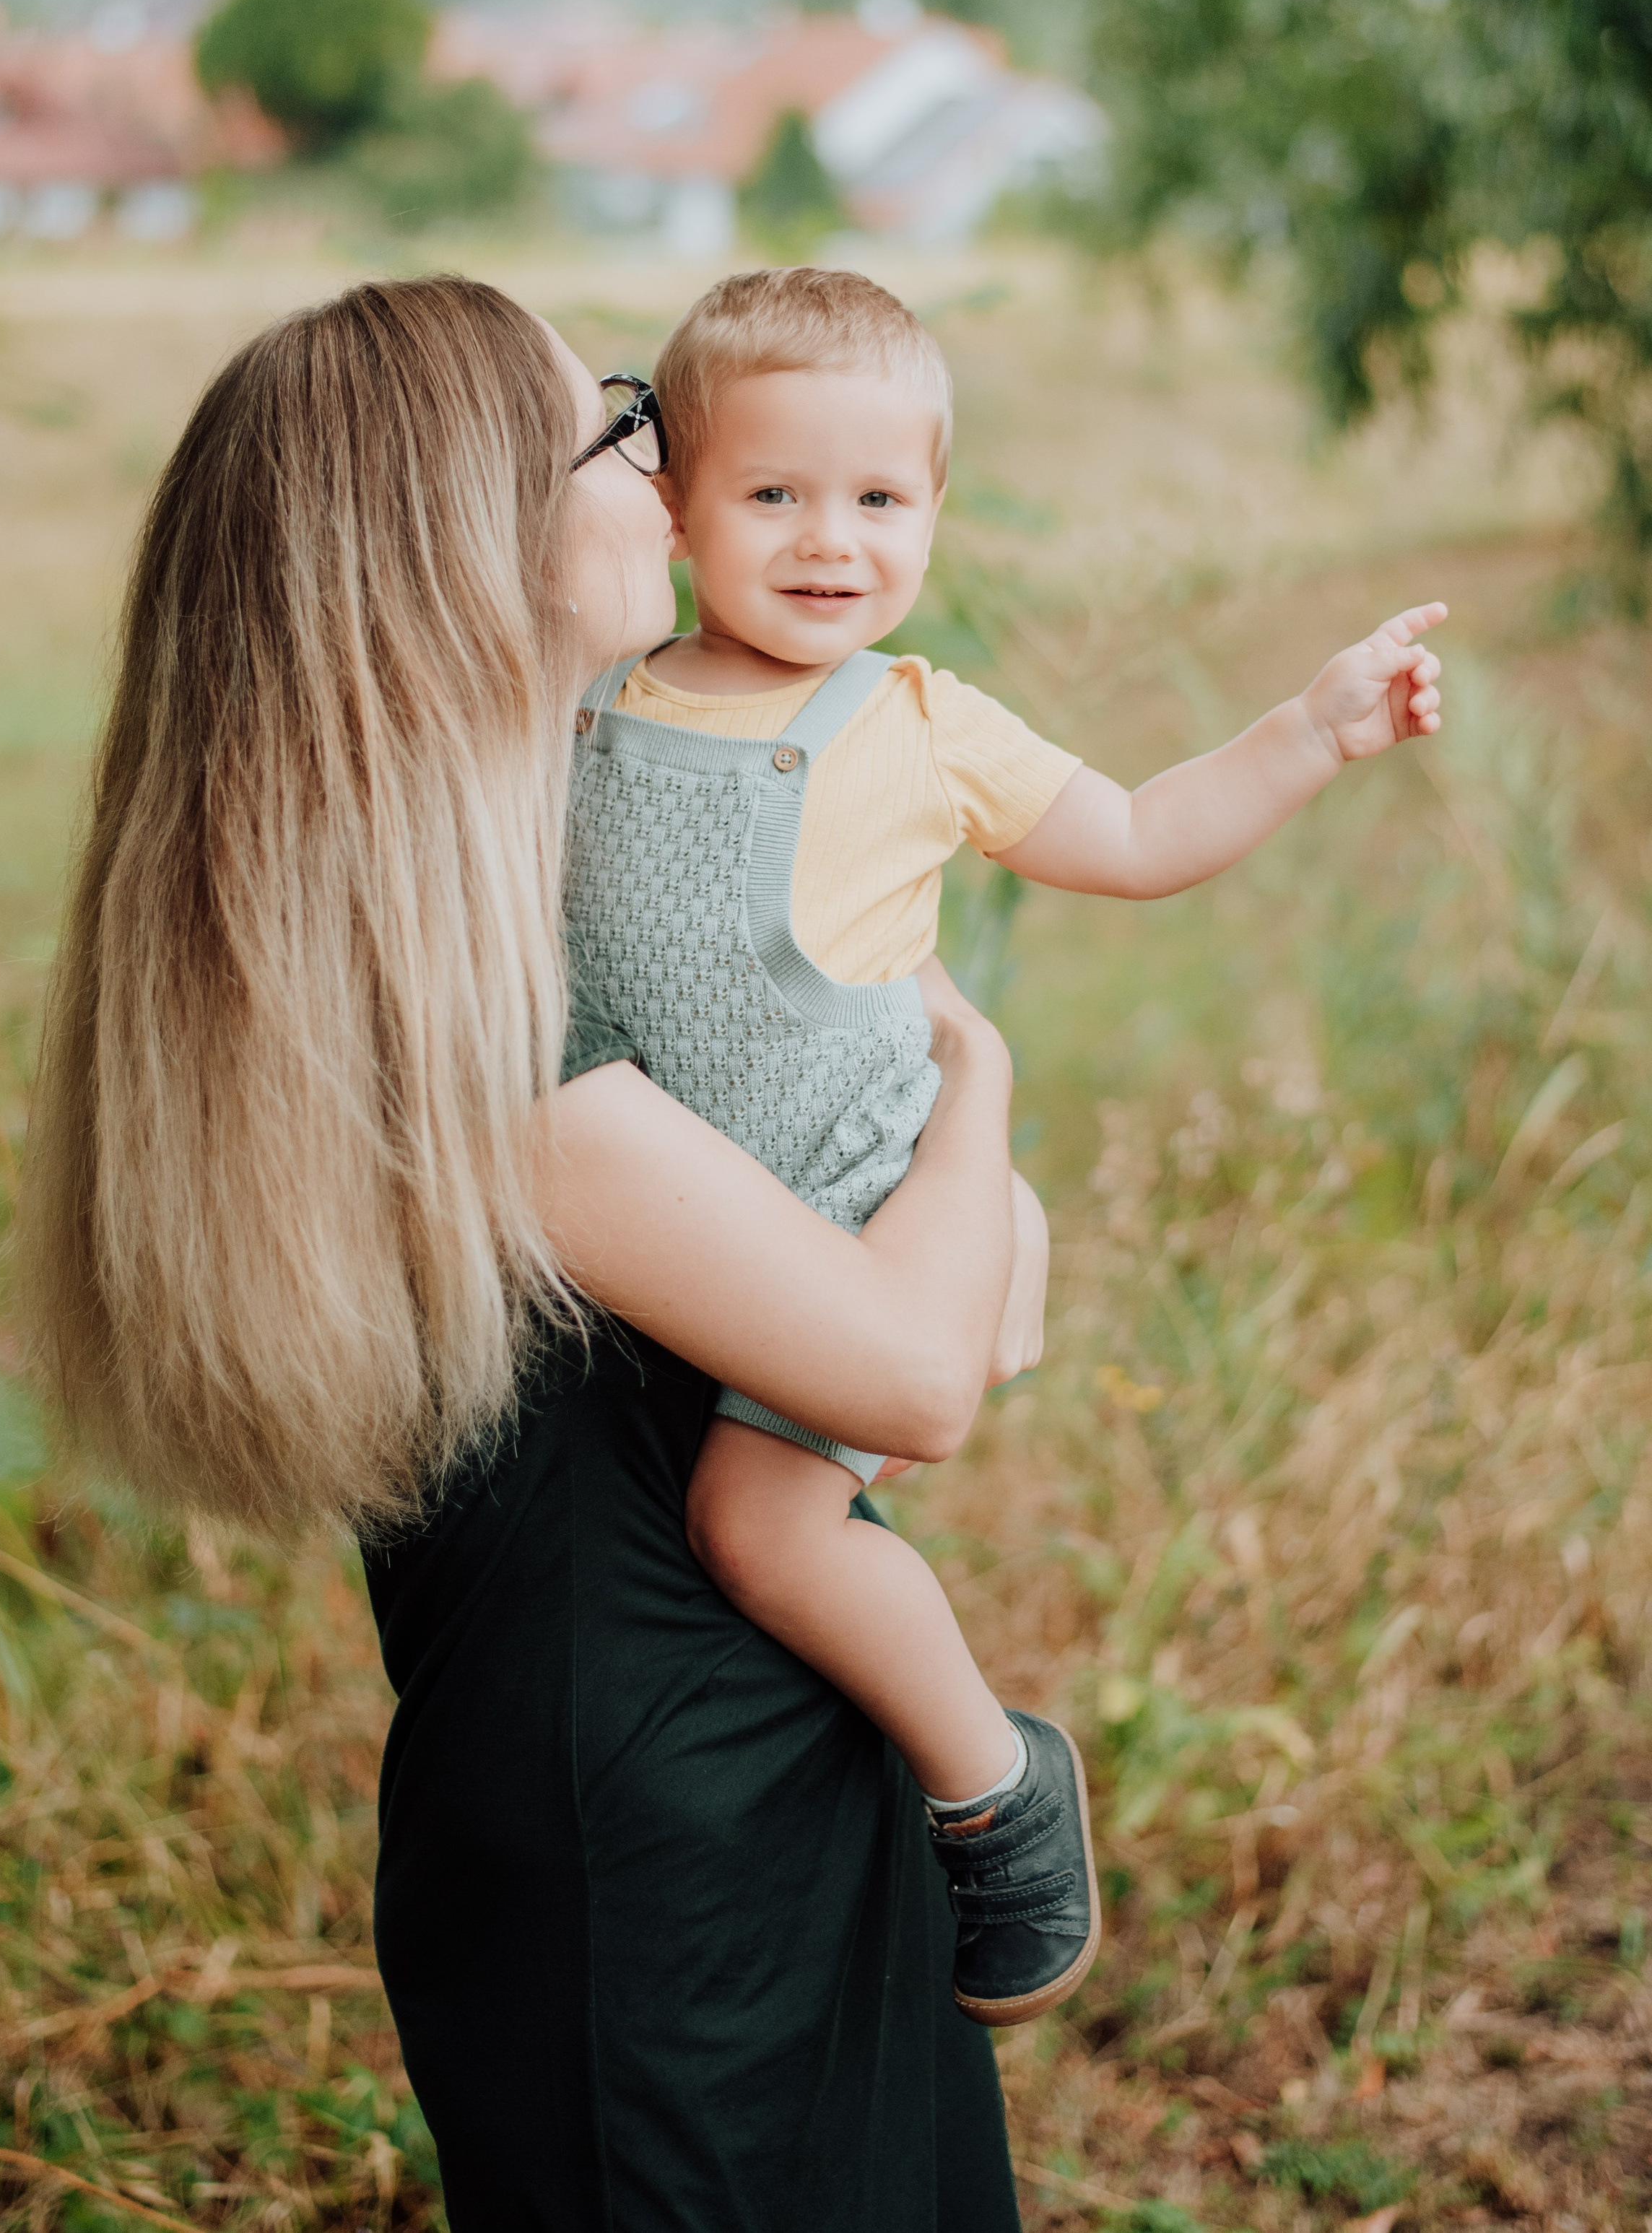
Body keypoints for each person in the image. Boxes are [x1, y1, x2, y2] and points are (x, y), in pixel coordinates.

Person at [14, 272, 1030, 2233]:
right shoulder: (508, 1051)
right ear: (467, 550)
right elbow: (919, 1370)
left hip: (704, 1773)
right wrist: (974, 1082)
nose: (673, 462)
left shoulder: (465, 924)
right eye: (616, 424)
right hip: (660, 1866)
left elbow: (955, 1303)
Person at [565, 266, 1448, 2026]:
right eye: (773, 494)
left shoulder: (916, 724)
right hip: (656, 1208)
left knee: (762, 1531)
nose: (831, 541)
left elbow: (1129, 831)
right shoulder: (592, 694)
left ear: (933, 512)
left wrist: (1306, 733)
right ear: (669, 504)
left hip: (846, 1204)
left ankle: (991, 1787)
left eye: (880, 499)